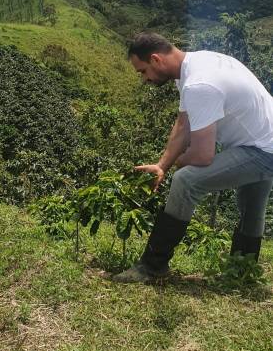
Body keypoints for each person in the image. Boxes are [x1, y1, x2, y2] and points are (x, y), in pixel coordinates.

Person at [113, 32, 273, 283]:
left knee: (186, 181)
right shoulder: (197, 64)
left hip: (263, 149)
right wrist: (161, 165)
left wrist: (177, 164)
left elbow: (202, 155)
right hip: (263, 139)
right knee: (252, 205)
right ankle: (242, 274)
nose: (144, 79)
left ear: (155, 59)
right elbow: (183, 124)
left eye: (142, 71)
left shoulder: (198, 84)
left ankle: (152, 266)